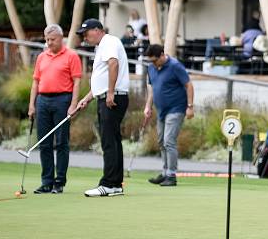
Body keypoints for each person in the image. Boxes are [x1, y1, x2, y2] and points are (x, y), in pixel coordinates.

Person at [75, 18, 130, 197]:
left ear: (98, 30)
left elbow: (113, 64)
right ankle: (115, 184)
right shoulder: (102, 46)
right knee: (112, 140)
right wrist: (87, 98)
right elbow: (102, 77)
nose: (85, 37)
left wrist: (111, 93)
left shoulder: (109, 41)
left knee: (109, 141)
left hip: (111, 99)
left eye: (86, 33)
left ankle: (109, 184)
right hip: (106, 97)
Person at [27, 24, 82, 194]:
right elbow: (35, 81)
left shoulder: (72, 56)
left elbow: (77, 82)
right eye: (47, 39)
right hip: (43, 101)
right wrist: (31, 105)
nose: (49, 43)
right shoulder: (42, 57)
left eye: (52, 39)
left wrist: (73, 105)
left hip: (62, 100)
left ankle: (59, 182)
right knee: (44, 143)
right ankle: (47, 182)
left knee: (61, 142)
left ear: (61, 38)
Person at [142, 44, 195, 187]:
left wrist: (190, 107)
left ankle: (171, 175)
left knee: (169, 141)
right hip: (161, 110)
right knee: (161, 141)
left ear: (162, 55)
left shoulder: (175, 66)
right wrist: (148, 106)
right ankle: (165, 172)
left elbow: (189, 85)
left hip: (176, 109)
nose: (152, 63)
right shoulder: (151, 67)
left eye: (154, 60)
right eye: (150, 61)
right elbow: (151, 88)